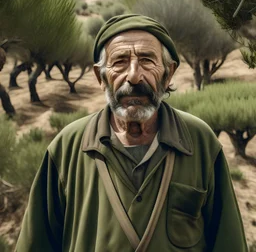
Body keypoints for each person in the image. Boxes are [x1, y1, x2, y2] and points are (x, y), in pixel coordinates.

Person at [16, 14, 248, 252]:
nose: (134, 76)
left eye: (147, 61)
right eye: (119, 62)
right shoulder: (67, 147)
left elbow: (228, 241)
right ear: (101, 77)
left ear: (168, 74)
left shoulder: (200, 140)